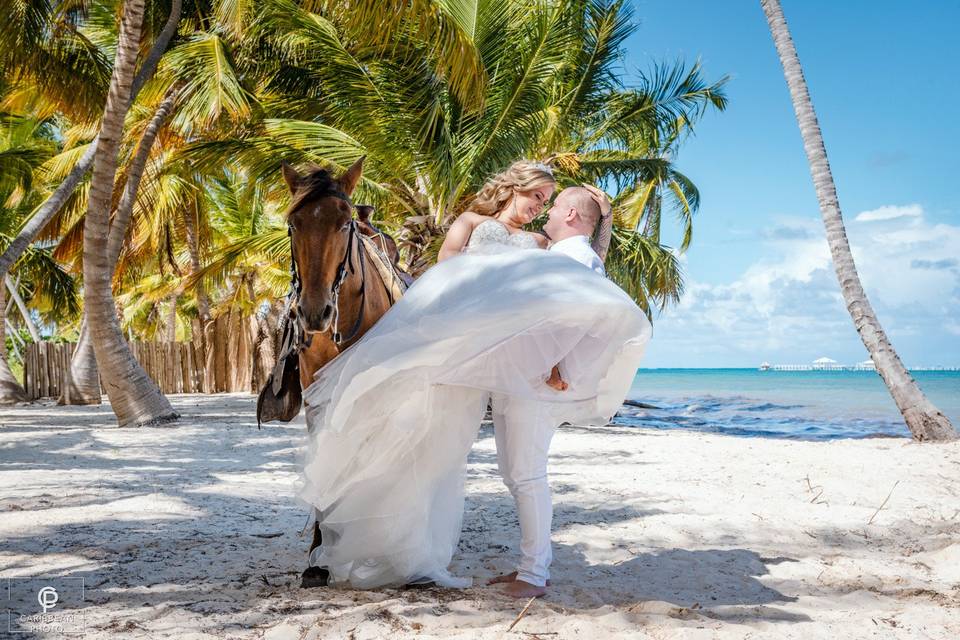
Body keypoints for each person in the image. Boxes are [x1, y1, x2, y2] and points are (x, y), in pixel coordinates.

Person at [298, 161, 651, 591]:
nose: (540, 208)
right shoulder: (469, 221)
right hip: (446, 347)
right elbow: (443, 278)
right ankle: (365, 538)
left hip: (481, 369)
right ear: (514, 187)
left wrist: (557, 359)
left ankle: (418, 557)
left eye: (547, 202)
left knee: (444, 458)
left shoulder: (544, 245)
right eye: (536, 196)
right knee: (408, 443)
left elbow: (561, 302)